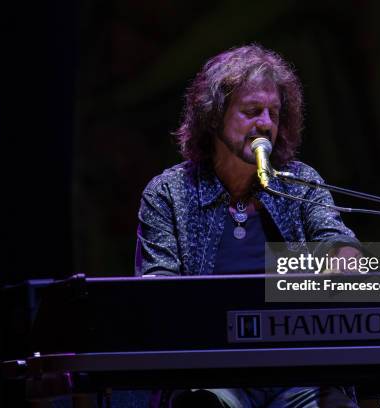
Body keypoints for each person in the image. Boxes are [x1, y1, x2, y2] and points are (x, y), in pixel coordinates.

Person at [135, 44, 361, 408]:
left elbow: (336, 238)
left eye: (274, 113)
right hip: (213, 375)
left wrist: (344, 257)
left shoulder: (299, 182)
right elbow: (159, 293)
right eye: (253, 111)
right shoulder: (169, 193)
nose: (266, 124)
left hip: (298, 375)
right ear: (214, 116)